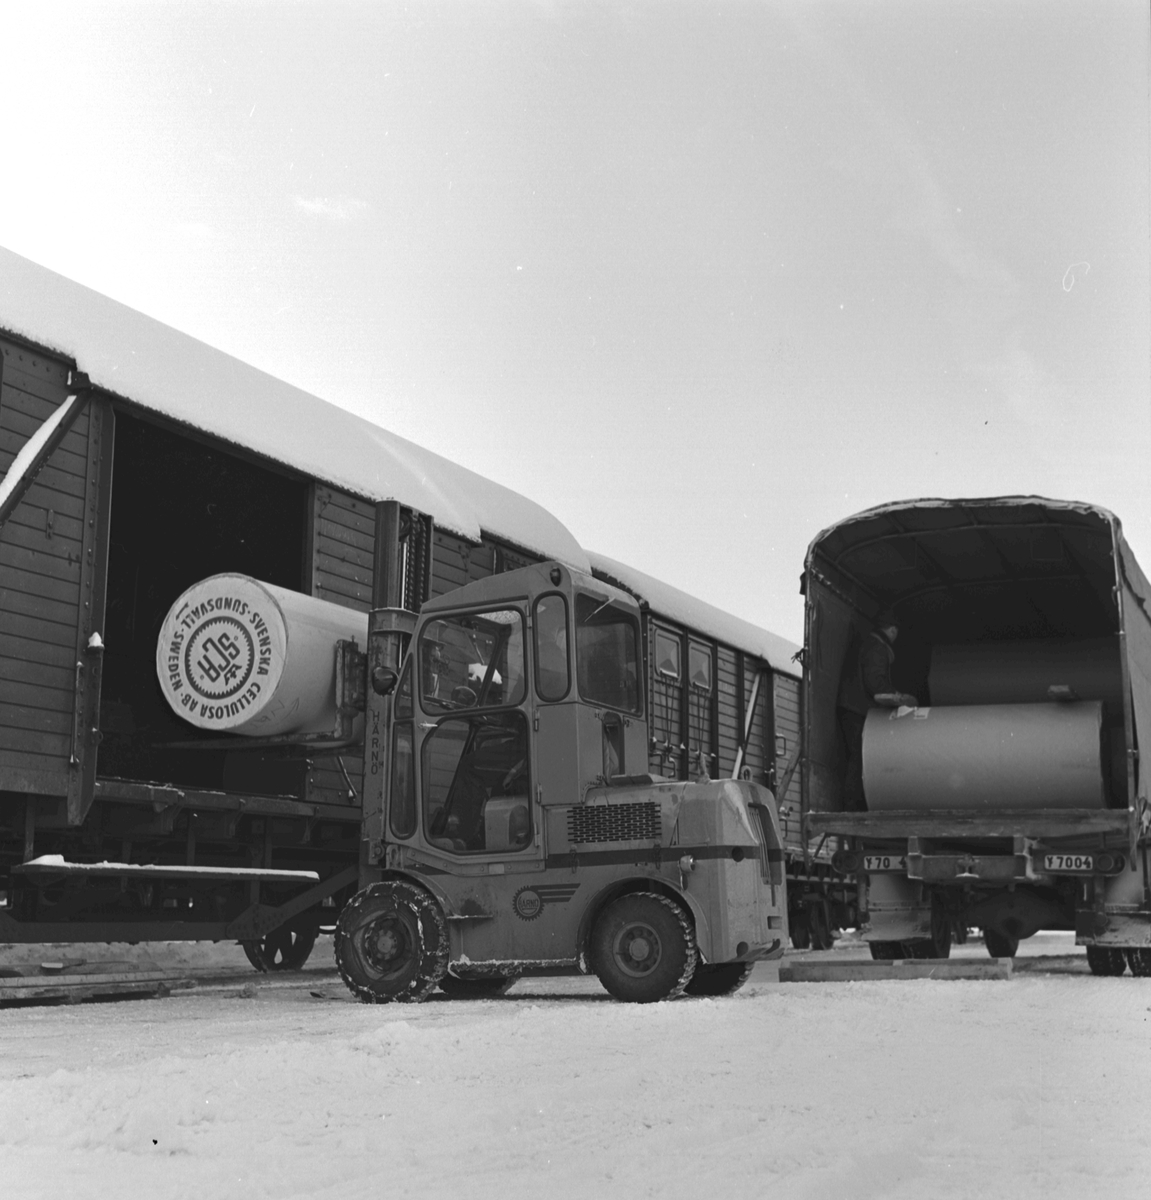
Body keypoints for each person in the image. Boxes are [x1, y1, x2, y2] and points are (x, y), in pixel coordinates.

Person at [837, 611, 918, 810]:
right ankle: (853, 806)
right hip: (857, 709)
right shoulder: (877, 648)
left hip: (851, 707)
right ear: (892, 630)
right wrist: (897, 696)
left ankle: (853, 804)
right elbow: (875, 683)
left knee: (856, 757)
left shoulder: (867, 644)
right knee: (860, 757)